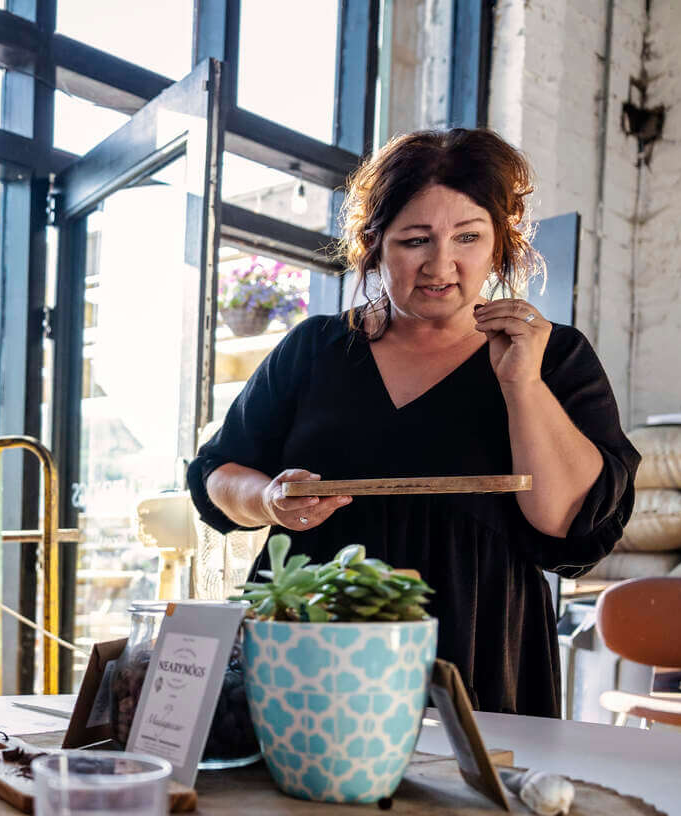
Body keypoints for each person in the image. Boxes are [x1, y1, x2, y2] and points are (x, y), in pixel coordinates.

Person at [187, 128, 639, 716]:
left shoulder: (555, 357)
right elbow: (215, 476)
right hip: (316, 629)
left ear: (501, 244)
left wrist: (521, 385)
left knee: (458, 801)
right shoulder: (317, 348)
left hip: (476, 641)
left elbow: (562, 523)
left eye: (469, 237)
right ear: (374, 246)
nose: (441, 265)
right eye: (415, 240)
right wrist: (270, 500)